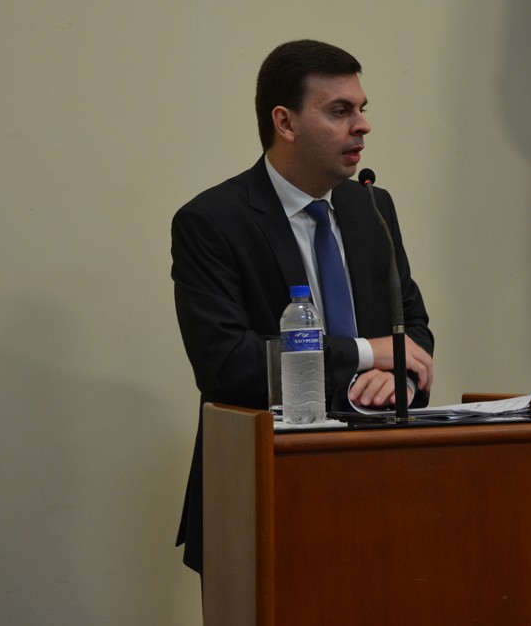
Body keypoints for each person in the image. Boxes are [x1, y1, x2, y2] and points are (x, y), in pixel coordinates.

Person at [170, 39, 435, 574]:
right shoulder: (212, 221)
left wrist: (400, 382)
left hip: (380, 477)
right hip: (264, 488)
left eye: (361, 109)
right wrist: (366, 354)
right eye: (339, 111)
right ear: (285, 123)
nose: (362, 126)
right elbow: (228, 363)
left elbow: (411, 329)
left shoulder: (372, 205)